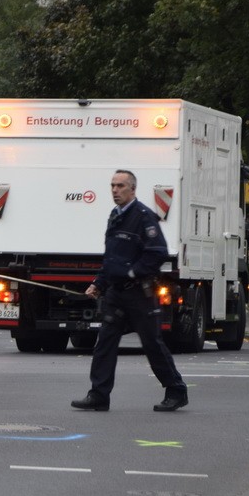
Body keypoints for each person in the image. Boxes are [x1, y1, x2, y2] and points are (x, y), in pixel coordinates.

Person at [72, 169, 189, 412]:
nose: (115, 190)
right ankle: (99, 395)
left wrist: (133, 273)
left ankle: (176, 390)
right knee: (104, 342)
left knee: (151, 343)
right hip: (115, 293)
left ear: (133, 189)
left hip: (139, 293)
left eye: (121, 186)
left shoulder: (144, 217)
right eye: (113, 185)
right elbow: (111, 258)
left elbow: (158, 253)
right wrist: (98, 283)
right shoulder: (114, 216)